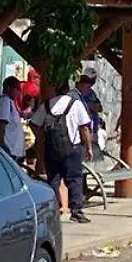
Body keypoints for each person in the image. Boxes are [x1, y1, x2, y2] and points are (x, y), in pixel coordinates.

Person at [33, 82, 94, 224]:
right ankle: (76, 211)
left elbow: (35, 123)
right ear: (67, 89)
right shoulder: (76, 104)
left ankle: (54, 209)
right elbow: (84, 127)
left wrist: (43, 138)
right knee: (75, 179)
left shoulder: (47, 105)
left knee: (53, 179)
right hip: (72, 147)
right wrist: (88, 147)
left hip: (51, 148)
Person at [0, 76, 28, 163]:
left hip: (14, 153)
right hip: (8, 152)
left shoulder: (10, 103)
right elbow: (1, 126)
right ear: (8, 88)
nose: (19, 92)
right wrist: (2, 149)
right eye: (17, 89)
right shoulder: (4, 102)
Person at [76, 72, 106, 153]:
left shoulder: (91, 93)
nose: (89, 87)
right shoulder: (75, 96)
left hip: (93, 129)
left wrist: (91, 105)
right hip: (81, 131)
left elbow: (100, 108)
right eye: (87, 85)